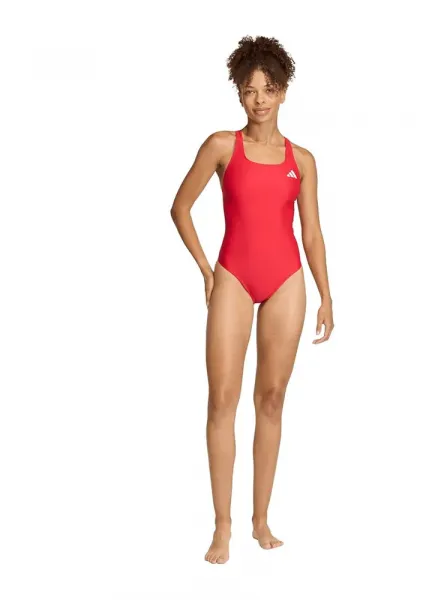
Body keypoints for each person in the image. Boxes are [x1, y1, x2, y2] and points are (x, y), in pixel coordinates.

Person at [170, 35, 334, 564]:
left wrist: (327, 294)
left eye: (268, 89)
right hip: (233, 277)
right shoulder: (222, 146)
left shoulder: (302, 160)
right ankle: (222, 527)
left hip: (286, 279)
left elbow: (312, 233)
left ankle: (261, 520)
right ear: (238, 94)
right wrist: (206, 270)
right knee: (222, 399)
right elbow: (180, 207)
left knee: (272, 399)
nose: (259, 99)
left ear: (283, 92)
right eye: (249, 90)